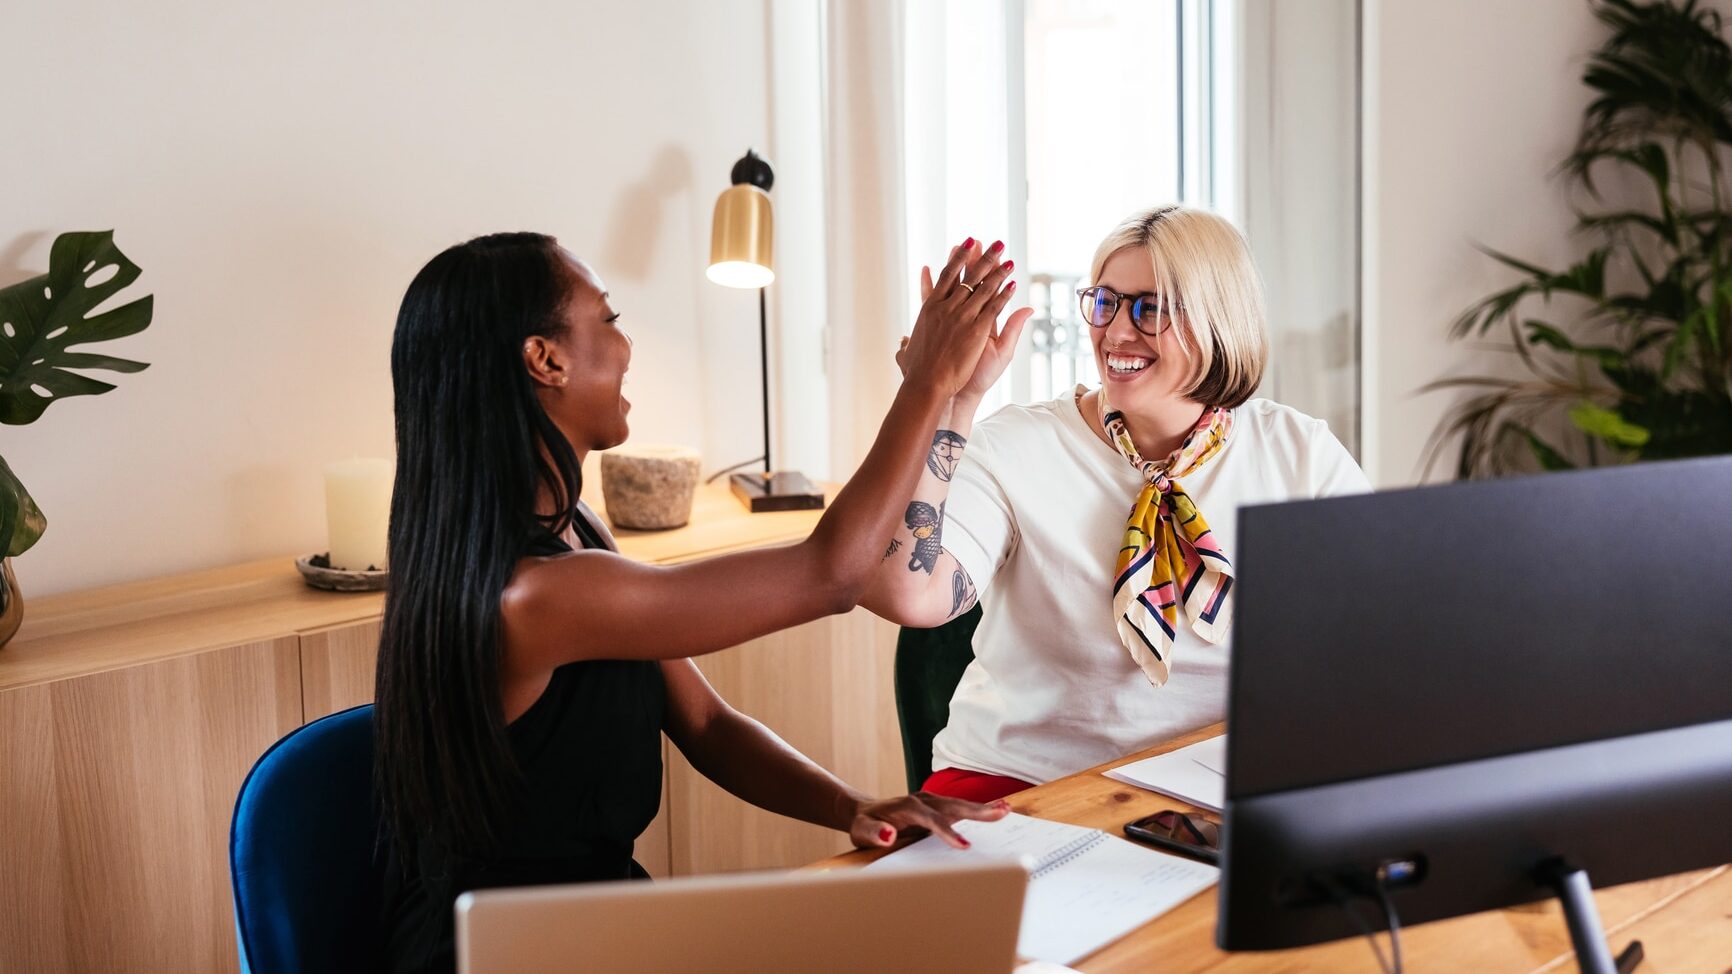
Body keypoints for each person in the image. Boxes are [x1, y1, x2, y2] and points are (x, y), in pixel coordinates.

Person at [375, 231, 1023, 973]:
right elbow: (832, 573)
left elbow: (707, 721)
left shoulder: (570, 534)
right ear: (544, 359)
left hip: (597, 931)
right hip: (509, 956)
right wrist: (927, 385)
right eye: (609, 320)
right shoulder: (541, 595)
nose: (625, 348)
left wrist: (851, 806)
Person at [862, 205, 1371, 803]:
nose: (1117, 332)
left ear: (1219, 320)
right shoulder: (1015, 446)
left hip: (1216, 785)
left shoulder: (1298, 453)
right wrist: (953, 400)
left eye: (1150, 307)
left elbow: (1381, 635)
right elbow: (906, 594)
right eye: (1105, 302)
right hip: (1021, 781)